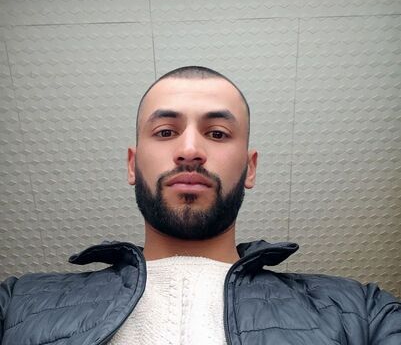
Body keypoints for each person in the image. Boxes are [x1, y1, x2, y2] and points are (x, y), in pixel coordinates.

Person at [0, 66, 400, 345]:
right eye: (165, 132)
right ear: (132, 165)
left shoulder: (361, 311)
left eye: (218, 133)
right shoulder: (18, 302)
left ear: (250, 168)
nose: (190, 149)